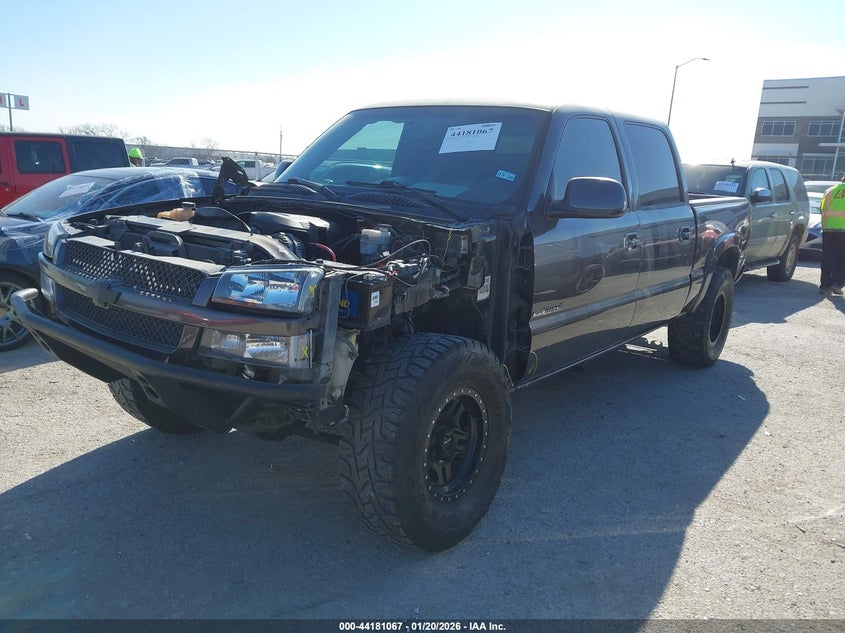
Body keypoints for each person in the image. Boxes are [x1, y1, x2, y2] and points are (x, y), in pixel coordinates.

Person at [818, 174, 845, 296]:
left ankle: (825, 286)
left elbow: (822, 208)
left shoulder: (830, 190)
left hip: (828, 228)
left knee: (828, 258)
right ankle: (837, 284)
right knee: (842, 258)